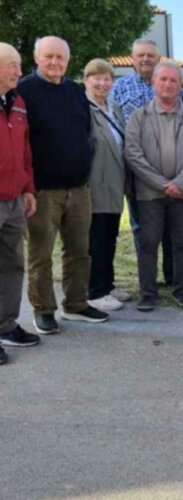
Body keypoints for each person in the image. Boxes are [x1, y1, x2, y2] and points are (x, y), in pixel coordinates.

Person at [18, 36, 109, 334]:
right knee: (41, 255)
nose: (55, 62)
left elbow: (85, 133)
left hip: (78, 189)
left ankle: (76, 303)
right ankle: (43, 310)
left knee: (80, 251)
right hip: (43, 191)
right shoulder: (25, 91)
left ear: (68, 61)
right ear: (36, 58)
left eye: (60, 57)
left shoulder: (74, 91)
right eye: (49, 56)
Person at [124, 62, 183, 312]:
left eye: (173, 80)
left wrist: (180, 182)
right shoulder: (139, 116)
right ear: (154, 83)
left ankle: (182, 290)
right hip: (149, 193)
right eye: (163, 80)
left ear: (180, 85)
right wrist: (161, 183)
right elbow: (132, 153)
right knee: (148, 243)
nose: (168, 84)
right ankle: (148, 294)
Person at [111, 38, 183, 290]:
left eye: (150, 55)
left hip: (170, 167)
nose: (146, 59)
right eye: (141, 55)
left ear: (158, 58)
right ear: (132, 58)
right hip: (136, 169)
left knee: (170, 222)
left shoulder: (173, 86)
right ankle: (148, 279)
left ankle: (172, 275)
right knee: (142, 225)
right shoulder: (119, 87)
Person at [0, 42, 39, 362]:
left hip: (13, 200)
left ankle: (5, 324)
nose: (19, 71)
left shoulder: (19, 102)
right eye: (12, 64)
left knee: (12, 264)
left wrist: (28, 188)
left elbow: (24, 151)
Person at [84, 59, 129, 311]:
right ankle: (95, 290)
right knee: (97, 238)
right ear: (86, 80)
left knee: (110, 235)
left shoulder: (113, 107)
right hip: (95, 182)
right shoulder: (83, 108)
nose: (102, 83)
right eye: (96, 78)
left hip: (114, 180)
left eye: (107, 78)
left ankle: (108, 284)